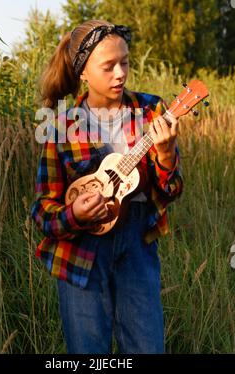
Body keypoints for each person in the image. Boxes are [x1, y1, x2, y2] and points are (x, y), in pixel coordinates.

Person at [31, 19, 183, 354]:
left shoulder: (151, 111)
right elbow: (42, 211)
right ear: (82, 71)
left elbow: (171, 190)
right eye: (108, 66)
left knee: (147, 347)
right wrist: (73, 215)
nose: (120, 74)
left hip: (137, 245)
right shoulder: (60, 127)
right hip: (81, 250)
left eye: (125, 62)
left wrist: (167, 154)